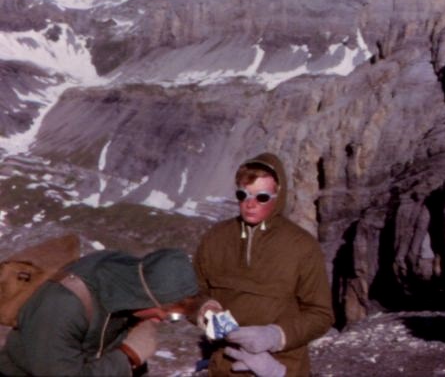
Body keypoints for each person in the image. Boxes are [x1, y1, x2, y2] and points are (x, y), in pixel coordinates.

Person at [194, 153, 333, 377]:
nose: (250, 204)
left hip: (281, 369)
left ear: (278, 196)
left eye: (262, 197)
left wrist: (275, 336)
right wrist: (206, 310)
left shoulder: (302, 246)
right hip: (224, 368)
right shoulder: (214, 239)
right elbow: (193, 294)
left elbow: (321, 315)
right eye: (243, 195)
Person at [0, 248, 199, 376]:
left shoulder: (131, 284)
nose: (161, 320)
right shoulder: (64, 306)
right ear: (146, 297)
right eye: (167, 313)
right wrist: (128, 356)